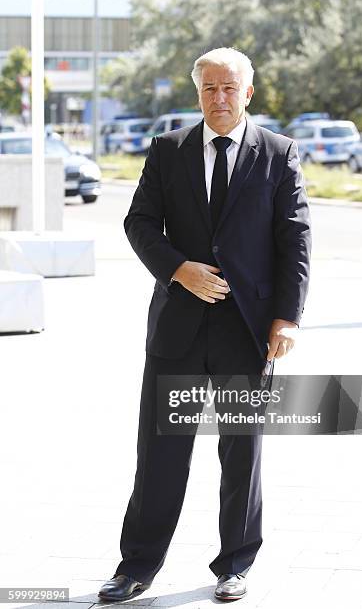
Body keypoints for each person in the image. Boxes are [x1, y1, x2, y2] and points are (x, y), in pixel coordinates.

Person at [98, 47, 311, 603]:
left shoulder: (279, 153)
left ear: (248, 91)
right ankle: (136, 566)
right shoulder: (167, 150)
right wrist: (177, 269)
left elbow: (295, 239)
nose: (219, 97)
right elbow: (139, 221)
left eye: (229, 87)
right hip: (178, 328)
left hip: (248, 329)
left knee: (242, 451)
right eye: (209, 88)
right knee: (160, 453)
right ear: (198, 94)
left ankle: (235, 565)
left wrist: (287, 318)